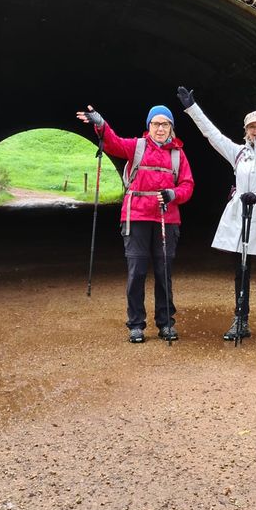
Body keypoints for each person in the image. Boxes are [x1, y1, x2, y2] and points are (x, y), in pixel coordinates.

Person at [177, 86, 256, 343]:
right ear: (246, 131)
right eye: (252, 127)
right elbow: (212, 135)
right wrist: (191, 108)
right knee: (241, 271)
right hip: (242, 220)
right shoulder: (239, 153)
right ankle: (241, 320)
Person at [76, 103, 194, 343]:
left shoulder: (178, 154)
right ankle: (136, 324)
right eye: (156, 124)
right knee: (137, 271)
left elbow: (187, 185)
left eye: (165, 124)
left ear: (172, 127)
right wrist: (101, 124)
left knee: (164, 273)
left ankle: (165, 323)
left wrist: (174, 194)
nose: (160, 129)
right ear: (148, 126)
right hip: (137, 217)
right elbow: (114, 143)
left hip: (166, 219)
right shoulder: (137, 147)